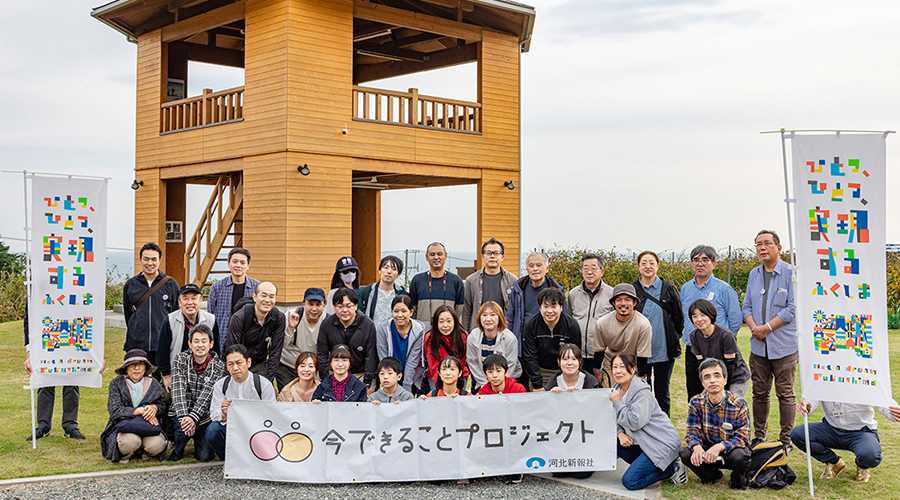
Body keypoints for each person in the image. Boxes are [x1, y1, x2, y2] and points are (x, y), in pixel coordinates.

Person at [742, 230, 798, 450]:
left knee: (785, 393)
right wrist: (755, 328)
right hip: (758, 346)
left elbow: (792, 309)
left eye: (767, 243)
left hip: (784, 346)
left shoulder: (791, 273)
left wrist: (767, 327)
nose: (762, 248)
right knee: (759, 393)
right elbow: (746, 306)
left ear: (779, 247)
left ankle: (786, 439)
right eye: (758, 244)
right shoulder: (754, 274)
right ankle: (760, 436)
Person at [610, 353, 684, 490]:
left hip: (660, 443)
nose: (618, 371)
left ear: (633, 370)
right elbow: (612, 418)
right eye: (615, 367)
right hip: (643, 443)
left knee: (630, 481)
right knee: (613, 443)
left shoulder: (641, 391)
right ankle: (654, 466)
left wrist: (618, 403)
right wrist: (620, 433)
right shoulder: (616, 389)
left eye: (622, 366)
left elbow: (635, 422)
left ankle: (672, 468)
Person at [23, 308, 99, 440]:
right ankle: (43, 426)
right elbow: (29, 320)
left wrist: (98, 356)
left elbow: (90, 314)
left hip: (72, 339)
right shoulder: (35, 288)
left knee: (71, 381)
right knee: (44, 381)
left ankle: (70, 426)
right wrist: (30, 353)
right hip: (46, 340)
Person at [680, 245, 742, 400]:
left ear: (714, 264)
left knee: (719, 393)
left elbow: (735, 320)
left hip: (718, 350)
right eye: (696, 260)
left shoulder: (724, 289)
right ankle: (697, 424)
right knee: (694, 393)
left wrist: (724, 340)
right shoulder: (686, 289)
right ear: (691, 264)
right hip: (693, 348)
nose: (700, 263)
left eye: (705, 260)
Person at [680, 358, 751, 490]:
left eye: (717, 375)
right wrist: (696, 447)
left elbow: (743, 437)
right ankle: (711, 476)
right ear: (702, 382)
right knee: (685, 454)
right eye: (707, 377)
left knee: (741, 456)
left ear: (725, 379)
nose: (712, 380)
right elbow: (692, 432)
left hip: (729, 449)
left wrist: (720, 446)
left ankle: (737, 481)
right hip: (706, 447)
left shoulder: (739, 403)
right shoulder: (695, 402)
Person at [791, 398, 900, 482]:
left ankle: (862, 466)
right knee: (799, 434)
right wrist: (808, 405)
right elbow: (814, 397)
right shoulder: (826, 373)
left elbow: (882, 400)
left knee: (870, 455)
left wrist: (894, 412)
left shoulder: (863, 374)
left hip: (861, 432)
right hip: (831, 429)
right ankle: (834, 462)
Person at [632, 250, 683, 416]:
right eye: (644, 263)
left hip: (664, 349)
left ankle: (663, 427)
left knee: (662, 392)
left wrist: (673, 337)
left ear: (657, 266)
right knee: (643, 391)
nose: (648, 266)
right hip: (640, 352)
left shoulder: (668, 288)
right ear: (639, 266)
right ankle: (645, 425)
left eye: (651, 263)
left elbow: (678, 318)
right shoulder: (633, 289)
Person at [206, 344, 277, 460]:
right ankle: (227, 460)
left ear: (248, 362)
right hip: (231, 427)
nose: (235, 368)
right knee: (212, 431)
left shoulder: (263, 384)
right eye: (230, 364)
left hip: (257, 428)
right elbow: (214, 414)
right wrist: (223, 415)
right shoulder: (221, 385)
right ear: (227, 367)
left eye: (239, 363)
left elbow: (272, 413)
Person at [168, 324, 225, 462]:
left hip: (204, 417)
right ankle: (178, 449)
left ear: (211, 344)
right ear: (190, 344)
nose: (200, 345)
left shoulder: (219, 366)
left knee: (205, 456)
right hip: (181, 413)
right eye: (196, 341)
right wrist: (185, 419)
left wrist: (193, 418)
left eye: (204, 341)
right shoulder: (180, 360)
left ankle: (195, 438)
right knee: (182, 432)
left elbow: (208, 394)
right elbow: (177, 391)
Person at [100, 349, 168, 463]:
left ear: (145, 368)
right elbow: (114, 410)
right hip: (125, 427)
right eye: (132, 365)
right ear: (126, 368)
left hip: (148, 426)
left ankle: (146, 452)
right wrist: (138, 410)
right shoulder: (116, 383)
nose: (136, 368)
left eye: (140, 364)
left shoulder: (153, 383)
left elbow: (162, 407)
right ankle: (127, 453)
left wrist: (154, 408)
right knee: (130, 443)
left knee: (157, 445)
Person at [122, 242, 179, 369]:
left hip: (162, 344)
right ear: (140, 259)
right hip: (136, 344)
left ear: (160, 260)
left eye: (154, 259)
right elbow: (128, 314)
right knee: (136, 382)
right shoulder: (131, 284)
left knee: (160, 384)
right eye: (146, 259)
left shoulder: (170, 284)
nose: (150, 263)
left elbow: (176, 313)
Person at [156, 283, 218, 392]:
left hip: (203, 372)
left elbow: (215, 350)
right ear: (179, 302)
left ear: (201, 300)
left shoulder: (211, 320)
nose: (190, 303)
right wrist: (166, 376)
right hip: (176, 372)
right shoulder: (169, 320)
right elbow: (162, 350)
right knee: (166, 398)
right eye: (185, 299)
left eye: (194, 298)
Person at [317, 287, 378, 389]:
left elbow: (371, 356)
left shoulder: (368, 325)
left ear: (356, 306)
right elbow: (322, 354)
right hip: (334, 374)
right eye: (340, 306)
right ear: (334, 307)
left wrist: (367, 384)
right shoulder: (327, 324)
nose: (345, 310)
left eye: (349, 306)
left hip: (360, 374)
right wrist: (326, 380)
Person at [522, 287, 581, 391]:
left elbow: (576, 354)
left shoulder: (571, 325)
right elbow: (530, 357)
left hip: (565, 369)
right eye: (545, 306)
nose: (549, 311)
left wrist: (571, 377)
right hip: (541, 371)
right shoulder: (531, 326)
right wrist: (537, 385)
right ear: (540, 308)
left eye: (554, 306)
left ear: (561, 307)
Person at [567, 252, 614, 380]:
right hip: (578, 354)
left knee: (601, 391)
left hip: (603, 355)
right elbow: (569, 321)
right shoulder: (573, 294)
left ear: (602, 271)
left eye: (593, 268)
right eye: (585, 268)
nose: (589, 272)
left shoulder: (612, 294)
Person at [688, 299, 750, 396]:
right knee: (704, 403)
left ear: (710, 315)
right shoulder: (694, 336)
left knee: (729, 404)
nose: (699, 319)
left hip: (735, 377)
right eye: (695, 316)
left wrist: (723, 391)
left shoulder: (726, 336)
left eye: (703, 315)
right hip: (714, 377)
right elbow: (702, 365)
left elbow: (730, 366)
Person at [225, 281, 285, 382]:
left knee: (260, 390)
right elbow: (232, 349)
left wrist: (269, 381)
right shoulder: (239, 317)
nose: (267, 300)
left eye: (271, 297)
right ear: (254, 297)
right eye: (263, 295)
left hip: (259, 363)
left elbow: (276, 352)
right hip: (238, 362)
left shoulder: (279, 318)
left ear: (276, 299)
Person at [594, 283, 652, 385]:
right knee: (611, 396)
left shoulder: (643, 324)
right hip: (611, 363)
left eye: (628, 299)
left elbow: (642, 356)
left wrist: (640, 378)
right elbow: (599, 350)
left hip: (633, 364)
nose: (623, 303)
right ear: (613, 303)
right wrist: (597, 371)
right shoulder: (602, 323)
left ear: (634, 302)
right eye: (619, 300)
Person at [506, 252, 567, 349]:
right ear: (527, 270)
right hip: (523, 342)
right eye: (531, 266)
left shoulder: (557, 290)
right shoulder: (519, 289)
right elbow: (510, 318)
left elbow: (564, 318)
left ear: (547, 269)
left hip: (549, 342)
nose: (535, 269)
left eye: (539, 265)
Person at [206, 248, 260, 347]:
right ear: (228, 263)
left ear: (248, 265)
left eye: (242, 262)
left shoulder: (257, 288)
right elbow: (211, 316)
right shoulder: (217, 287)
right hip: (222, 341)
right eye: (235, 261)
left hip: (248, 342)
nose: (238, 265)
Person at [461, 238, 517, 332]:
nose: (492, 256)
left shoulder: (512, 280)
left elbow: (515, 310)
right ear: (482, 257)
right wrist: (466, 333)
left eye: (496, 253)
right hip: (478, 331)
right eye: (488, 253)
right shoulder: (471, 280)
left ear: (502, 257)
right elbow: (467, 310)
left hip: (503, 332)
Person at [375, 295, 427, 394]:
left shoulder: (419, 330)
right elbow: (383, 358)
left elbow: (413, 361)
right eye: (396, 311)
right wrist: (390, 380)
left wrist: (407, 388)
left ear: (411, 312)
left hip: (411, 375)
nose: (399, 315)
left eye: (404, 311)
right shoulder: (383, 328)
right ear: (391, 312)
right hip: (389, 373)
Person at [278, 287, 327, 390]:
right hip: (288, 365)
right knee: (289, 398)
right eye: (310, 304)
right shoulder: (292, 316)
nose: (314, 309)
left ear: (324, 306)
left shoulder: (327, 321)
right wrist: (291, 328)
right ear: (304, 304)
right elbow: (281, 344)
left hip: (313, 369)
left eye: (318, 305)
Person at [466, 301, 520, 393]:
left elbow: (511, 365)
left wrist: (499, 386)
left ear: (500, 318)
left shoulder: (510, 338)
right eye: (484, 315)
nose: (488, 319)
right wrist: (486, 386)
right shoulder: (473, 337)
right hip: (481, 380)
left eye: (493, 315)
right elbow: (472, 362)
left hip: (507, 381)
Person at [408, 242, 465, 322]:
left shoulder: (456, 281)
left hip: (447, 330)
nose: (436, 257)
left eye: (439, 254)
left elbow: (459, 310)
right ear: (426, 257)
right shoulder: (417, 280)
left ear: (445, 256)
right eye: (432, 254)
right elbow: (413, 310)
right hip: (423, 331)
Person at [423, 305, 468, 391]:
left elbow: (461, 362)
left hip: (458, 375)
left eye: (449, 321)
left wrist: (453, 386)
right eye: (441, 321)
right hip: (436, 376)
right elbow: (433, 365)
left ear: (455, 321)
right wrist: (442, 388)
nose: (445, 325)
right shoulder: (430, 338)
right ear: (436, 323)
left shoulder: (463, 336)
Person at [358, 255, 407, 327]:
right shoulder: (365, 292)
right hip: (371, 336)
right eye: (386, 267)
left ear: (398, 274)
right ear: (379, 271)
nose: (389, 271)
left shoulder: (402, 295)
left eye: (394, 269)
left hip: (393, 336)